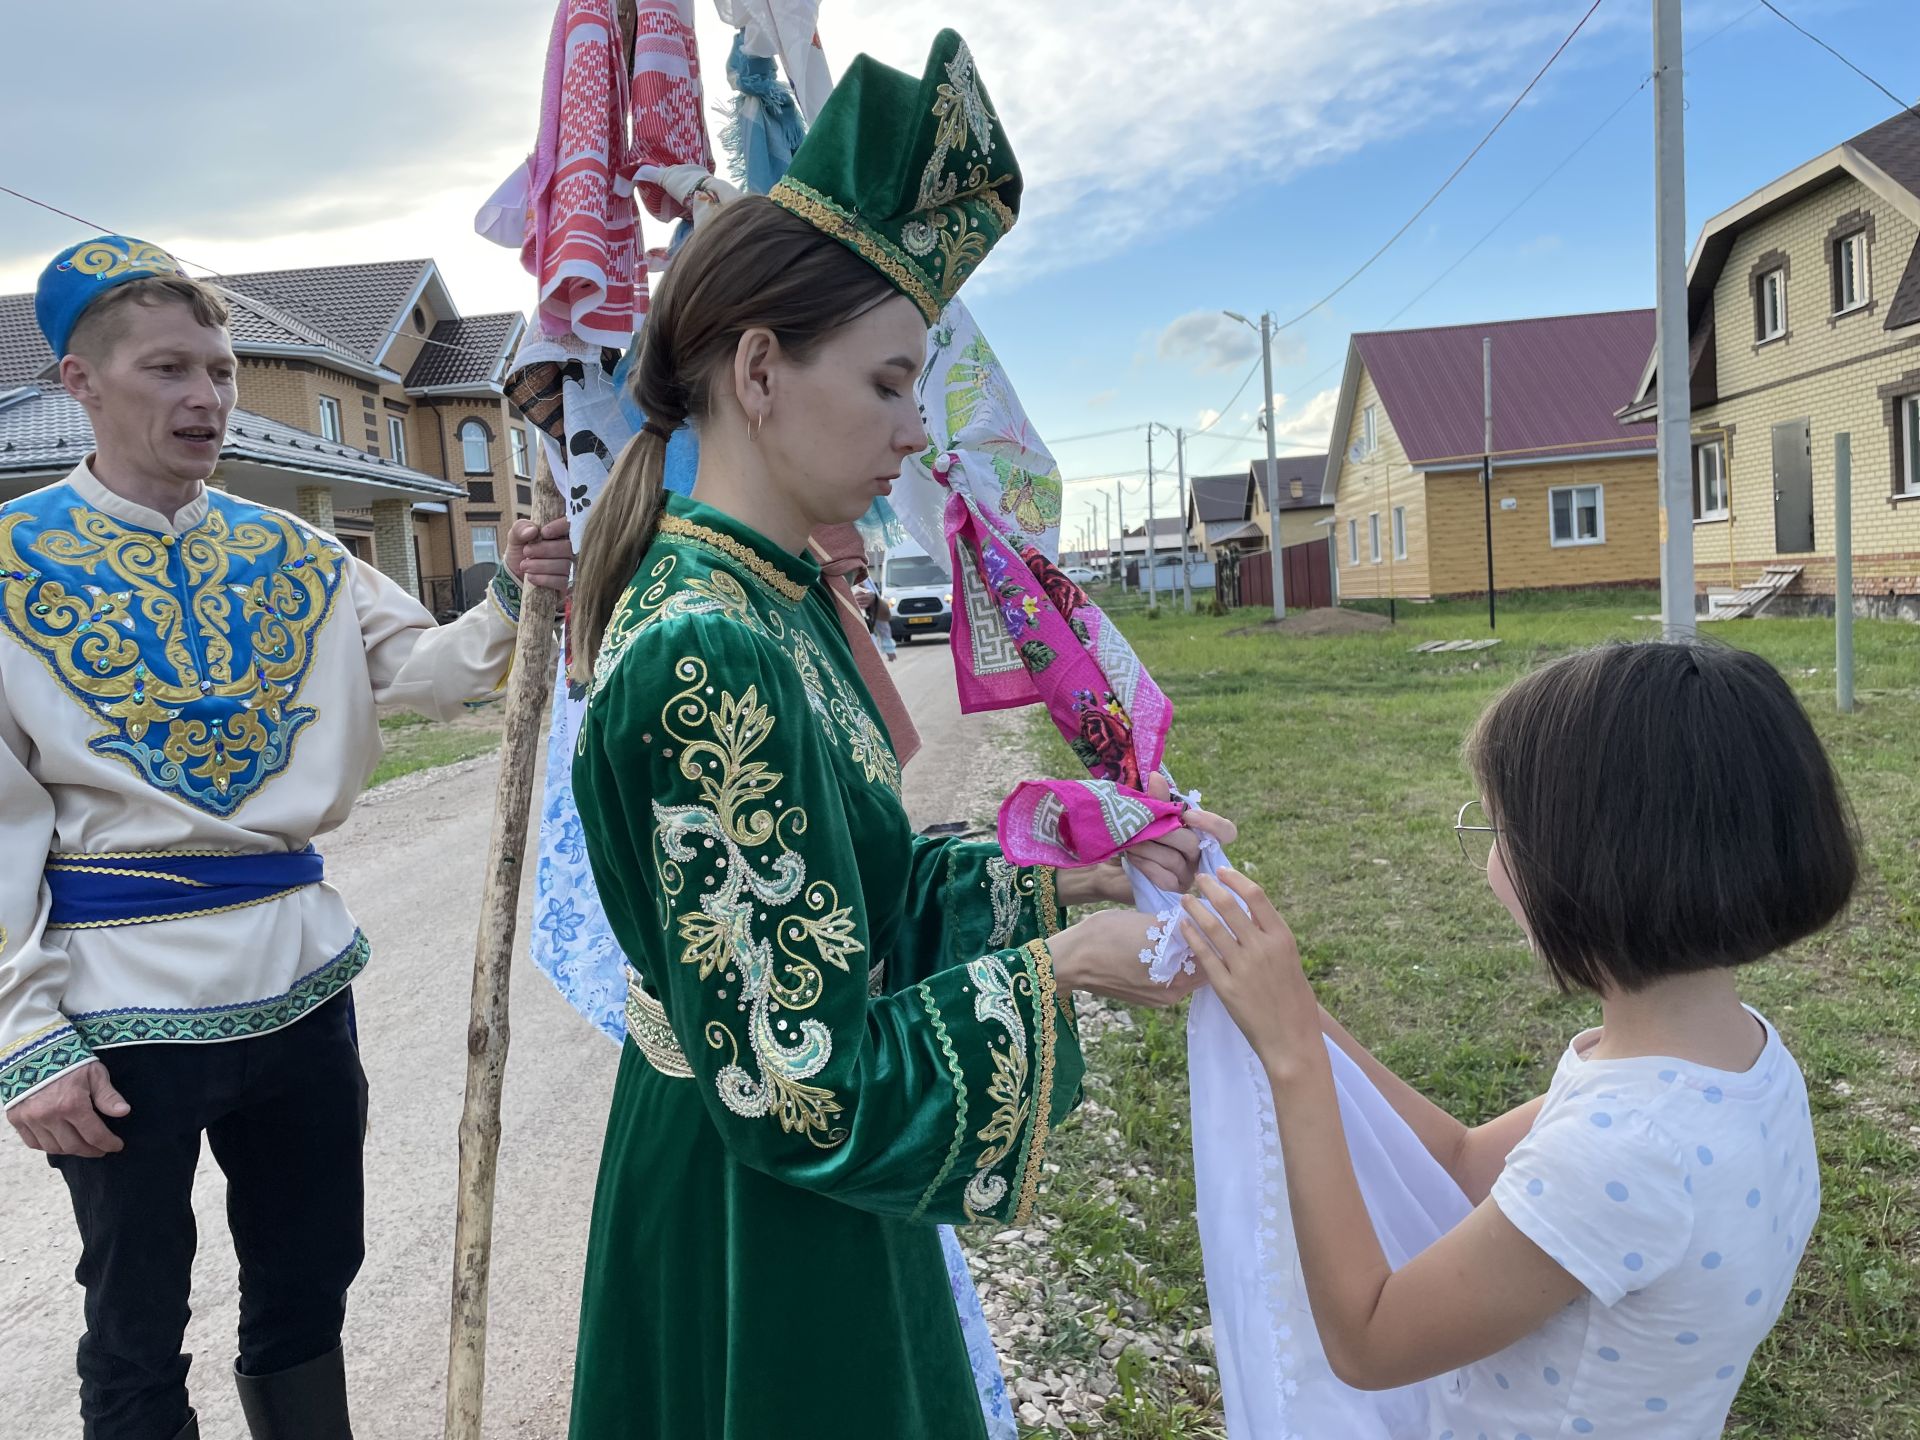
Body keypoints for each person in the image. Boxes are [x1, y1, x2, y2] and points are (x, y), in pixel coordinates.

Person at [563, 32, 1227, 1440]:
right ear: (758, 369)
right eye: (887, 383)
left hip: (789, 1192)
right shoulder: (706, 642)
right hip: (761, 1212)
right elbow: (795, 1080)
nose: (916, 430)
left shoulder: (775, 595)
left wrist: (1080, 870)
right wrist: (1060, 969)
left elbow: (838, 901)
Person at [0, 236, 573, 1440]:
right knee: (136, 1317)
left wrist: (515, 600)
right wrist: (26, 1035)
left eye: (216, 370)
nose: (205, 397)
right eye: (167, 370)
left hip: (306, 980)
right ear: (79, 384)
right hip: (118, 1005)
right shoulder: (6, 572)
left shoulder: (299, 552)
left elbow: (422, 672)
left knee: (313, 1279)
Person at [1183, 641, 1856, 1438]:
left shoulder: (1626, 1150)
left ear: (1593, 862)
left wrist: (1294, 1056)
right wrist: (1287, 1006)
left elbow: (1368, 1340)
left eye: (1501, 827)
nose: (1490, 863)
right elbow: (1465, 1163)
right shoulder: (1736, 1064)